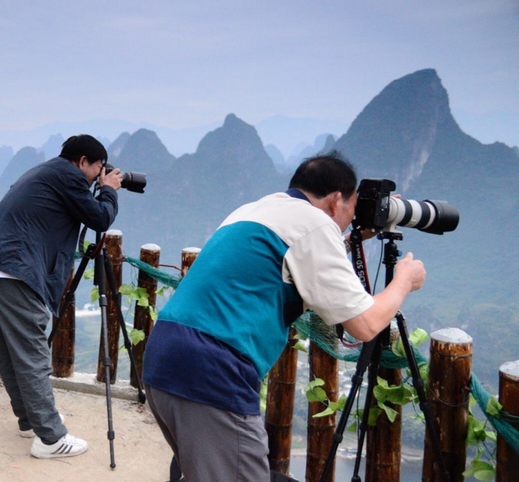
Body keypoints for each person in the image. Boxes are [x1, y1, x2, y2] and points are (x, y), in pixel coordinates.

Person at [142, 151, 427, 481]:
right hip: (213, 371)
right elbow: (365, 324)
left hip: (164, 357)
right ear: (336, 200)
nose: (351, 219)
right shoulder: (316, 224)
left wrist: (350, 241)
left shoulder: (254, 210)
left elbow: (297, 257)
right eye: (352, 209)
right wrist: (403, 281)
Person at [0, 134, 123, 459]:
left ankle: (30, 420)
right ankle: (51, 438)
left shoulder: (46, 171)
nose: (99, 174)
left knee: (11, 354)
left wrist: (99, 186)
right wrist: (108, 190)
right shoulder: (69, 177)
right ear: (82, 162)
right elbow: (99, 217)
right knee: (32, 355)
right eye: (98, 167)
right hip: (14, 270)